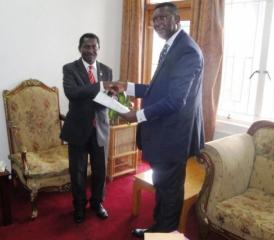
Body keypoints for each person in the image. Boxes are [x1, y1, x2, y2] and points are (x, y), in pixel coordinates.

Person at [113, 2, 204, 238]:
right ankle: (157, 228)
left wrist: (137, 115)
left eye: (163, 18)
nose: (158, 23)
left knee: (170, 190)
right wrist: (127, 87)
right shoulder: (170, 47)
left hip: (174, 135)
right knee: (162, 185)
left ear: (177, 20)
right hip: (164, 132)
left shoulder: (187, 51)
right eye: (154, 19)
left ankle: (164, 234)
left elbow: (175, 100)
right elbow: (157, 89)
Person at [60, 33, 113, 224]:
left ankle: (97, 203)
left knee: (100, 170)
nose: (90, 51)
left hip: (100, 127)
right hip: (77, 129)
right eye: (87, 47)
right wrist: (100, 87)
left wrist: (112, 96)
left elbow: (107, 98)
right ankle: (79, 206)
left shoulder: (107, 70)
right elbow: (72, 93)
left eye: (94, 47)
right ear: (79, 48)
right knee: (78, 171)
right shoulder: (70, 69)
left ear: (98, 48)